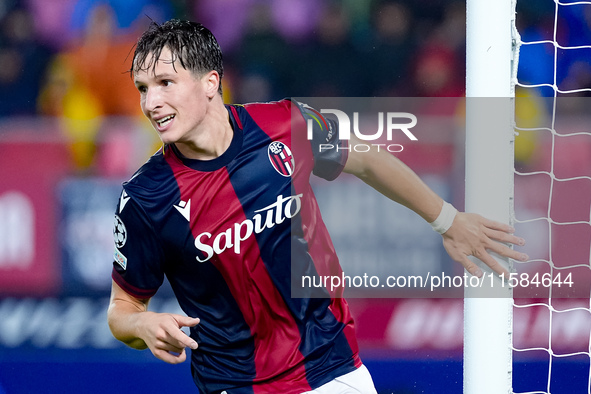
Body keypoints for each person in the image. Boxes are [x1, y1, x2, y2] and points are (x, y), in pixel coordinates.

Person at [107, 19, 527, 394]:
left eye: (165, 83)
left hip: (332, 367)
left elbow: (368, 159)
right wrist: (141, 325)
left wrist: (447, 220)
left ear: (210, 82)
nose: (151, 103)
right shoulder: (145, 197)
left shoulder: (285, 123)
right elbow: (122, 309)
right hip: (235, 383)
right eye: (143, 89)